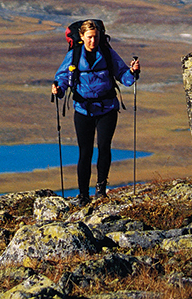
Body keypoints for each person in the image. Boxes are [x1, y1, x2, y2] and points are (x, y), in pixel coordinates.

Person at [52, 19, 140, 205]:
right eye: (90, 37)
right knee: (85, 153)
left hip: (107, 108)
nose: (93, 41)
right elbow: (62, 77)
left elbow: (122, 73)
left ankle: (101, 190)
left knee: (104, 147)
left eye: (96, 37)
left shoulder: (107, 53)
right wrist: (58, 89)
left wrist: (132, 73)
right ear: (82, 37)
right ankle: (83, 195)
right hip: (83, 110)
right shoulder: (74, 55)